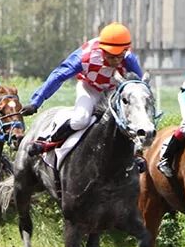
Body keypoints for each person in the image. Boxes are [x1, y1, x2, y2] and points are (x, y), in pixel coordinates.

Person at [22, 22, 143, 156]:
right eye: (110, 56)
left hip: (114, 91)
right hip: (90, 87)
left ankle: (137, 156)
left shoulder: (129, 59)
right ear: (102, 49)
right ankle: (47, 142)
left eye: (119, 56)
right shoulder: (84, 56)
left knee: (129, 122)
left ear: (125, 50)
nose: (115, 61)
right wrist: (35, 102)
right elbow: (58, 76)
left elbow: (140, 87)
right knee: (80, 119)